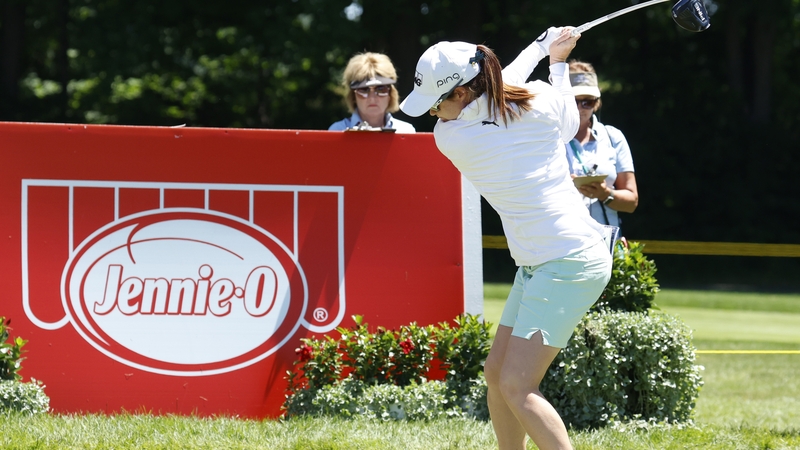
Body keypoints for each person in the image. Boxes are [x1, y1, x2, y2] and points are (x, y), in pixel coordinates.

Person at [400, 28, 612, 450]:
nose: (432, 115)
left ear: (461, 94)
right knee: (497, 373)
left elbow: (500, 86)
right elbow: (554, 113)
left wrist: (542, 50)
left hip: (568, 260)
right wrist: (553, 61)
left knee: (517, 384)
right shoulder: (538, 103)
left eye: (435, 104)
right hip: (544, 259)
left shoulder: (452, 136)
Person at [565, 60, 638, 231]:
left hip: (605, 243)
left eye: (587, 102)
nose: (580, 108)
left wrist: (605, 194)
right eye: (573, 100)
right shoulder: (549, 138)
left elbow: (632, 202)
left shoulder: (613, 137)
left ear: (596, 103)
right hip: (562, 242)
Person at [328, 52, 415, 133]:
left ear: (390, 94)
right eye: (364, 90)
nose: (372, 98)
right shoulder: (338, 131)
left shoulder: (406, 131)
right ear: (353, 96)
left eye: (381, 89)